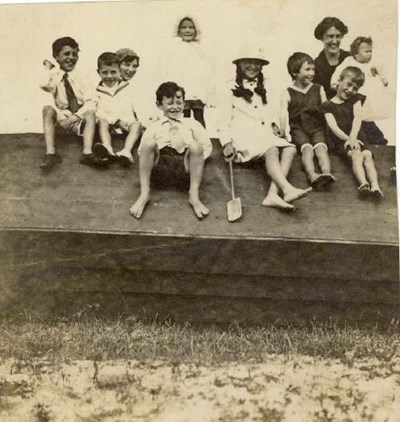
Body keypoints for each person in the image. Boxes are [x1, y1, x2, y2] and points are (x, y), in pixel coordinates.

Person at [218, 45, 311, 211]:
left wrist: (275, 124)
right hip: (243, 135)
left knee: (290, 148)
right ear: (239, 64)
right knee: (272, 148)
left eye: (257, 63)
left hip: (264, 133)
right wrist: (226, 142)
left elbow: (272, 110)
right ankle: (287, 188)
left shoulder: (267, 84)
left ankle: (273, 194)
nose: (253, 66)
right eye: (248, 62)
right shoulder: (229, 87)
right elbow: (222, 119)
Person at [130, 82, 212, 219]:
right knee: (148, 143)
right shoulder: (155, 126)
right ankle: (144, 194)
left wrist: (195, 160)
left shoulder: (192, 124)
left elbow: (207, 146)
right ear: (159, 105)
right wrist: (155, 154)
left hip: (184, 166)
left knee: (197, 146)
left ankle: (194, 195)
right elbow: (142, 151)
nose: (175, 107)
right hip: (161, 166)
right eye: (170, 103)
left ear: (184, 104)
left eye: (179, 103)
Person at [39, 36, 105, 170]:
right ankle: (51, 153)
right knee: (47, 109)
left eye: (74, 54)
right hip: (64, 115)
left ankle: (87, 153)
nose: (71, 57)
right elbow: (43, 84)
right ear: (56, 56)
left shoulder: (84, 76)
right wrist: (47, 67)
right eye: (66, 54)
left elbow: (92, 102)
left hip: (80, 119)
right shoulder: (55, 75)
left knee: (91, 112)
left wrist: (73, 119)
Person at [321, 67, 383, 198]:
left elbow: (357, 118)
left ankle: (375, 186)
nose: (350, 90)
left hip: (357, 136)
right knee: (356, 155)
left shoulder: (355, 100)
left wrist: (353, 137)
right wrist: (348, 139)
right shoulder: (327, 105)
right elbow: (333, 126)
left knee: (367, 155)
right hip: (340, 140)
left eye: (355, 88)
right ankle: (363, 183)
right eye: (349, 85)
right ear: (339, 80)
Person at [281, 52, 334, 189]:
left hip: (317, 127)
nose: (311, 73)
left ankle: (326, 174)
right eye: (307, 69)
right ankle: (312, 175)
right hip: (298, 129)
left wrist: (332, 130)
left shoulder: (318, 89)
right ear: (294, 72)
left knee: (321, 149)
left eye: (313, 69)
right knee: (307, 150)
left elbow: (327, 110)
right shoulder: (287, 92)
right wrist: (282, 133)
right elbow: (282, 115)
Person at [330, 36, 389, 144]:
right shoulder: (348, 61)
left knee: (366, 117)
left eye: (371, 51)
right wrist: (334, 83)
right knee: (355, 115)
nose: (370, 54)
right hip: (352, 95)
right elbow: (338, 71)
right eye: (367, 51)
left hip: (367, 95)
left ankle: (375, 138)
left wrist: (383, 78)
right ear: (356, 53)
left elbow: (380, 69)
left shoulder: (371, 63)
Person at [163, 16, 213, 128]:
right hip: (181, 86)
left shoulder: (200, 48)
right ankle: (183, 140)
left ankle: (201, 139)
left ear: (196, 30)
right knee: (183, 115)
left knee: (198, 115)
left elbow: (206, 68)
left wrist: (206, 89)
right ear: (178, 30)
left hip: (197, 86)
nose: (187, 30)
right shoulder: (175, 47)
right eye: (184, 27)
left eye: (191, 27)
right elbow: (172, 67)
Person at [93, 52, 141, 166]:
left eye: (113, 72)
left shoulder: (127, 87)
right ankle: (108, 149)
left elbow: (133, 108)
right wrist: (117, 122)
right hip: (109, 126)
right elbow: (98, 111)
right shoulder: (96, 91)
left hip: (126, 125)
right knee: (102, 121)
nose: (109, 76)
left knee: (137, 124)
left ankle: (126, 151)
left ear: (119, 70)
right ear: (98, 72)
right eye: (105, 72)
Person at [313, 17, 350, 99]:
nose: (334, 41)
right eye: (330, 36)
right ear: (322, 37)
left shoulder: (350, 59)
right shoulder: (315, 67)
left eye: (338, 36)